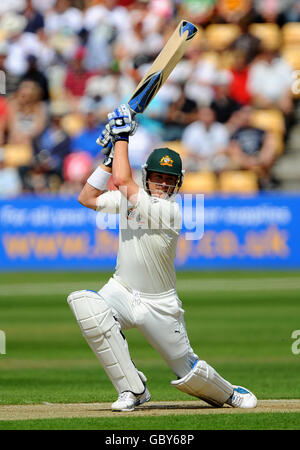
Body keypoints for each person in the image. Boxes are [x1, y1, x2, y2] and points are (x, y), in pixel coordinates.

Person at [67, 103, 257, 412]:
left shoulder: (171, 211)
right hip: (122, 290)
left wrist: (121, 136)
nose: (164, 184)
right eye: (158, 177)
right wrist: (108, 159)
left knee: (188, 372)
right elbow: (86, 197)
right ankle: (132, 390)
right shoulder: (133, 199)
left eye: (169, 179)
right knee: (86, 306)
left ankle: (230, 393)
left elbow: (125, 184)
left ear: (178, 182)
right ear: (148, 176)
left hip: (160, 304)